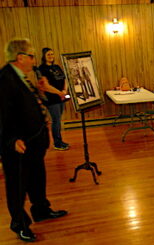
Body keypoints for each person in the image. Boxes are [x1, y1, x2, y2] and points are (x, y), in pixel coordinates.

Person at [0, 38, 68, 242]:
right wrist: (11, 139)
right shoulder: (5, 79)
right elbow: (1, 113)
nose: (33, 60)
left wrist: (40, 89)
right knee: (17, 185)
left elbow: (28, 106)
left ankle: (41, 209)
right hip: (19, 145)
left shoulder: (22, 77)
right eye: (31, 56)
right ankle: (19, 223)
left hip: (34, 142)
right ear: (20, 57)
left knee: (37, 178)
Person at [39, 47, 70, 151]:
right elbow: (45, 86)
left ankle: (60, 141)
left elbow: (65, 79)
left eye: (52, 54)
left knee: (58, 120)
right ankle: (57, 143)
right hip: (51, 99)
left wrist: (65, 91)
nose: (51, 56)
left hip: (61, 97)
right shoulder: (41, 69)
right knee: (56, 120)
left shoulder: (56, 67)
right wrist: (59, 93)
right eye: (48, 55)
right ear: (44, 56)